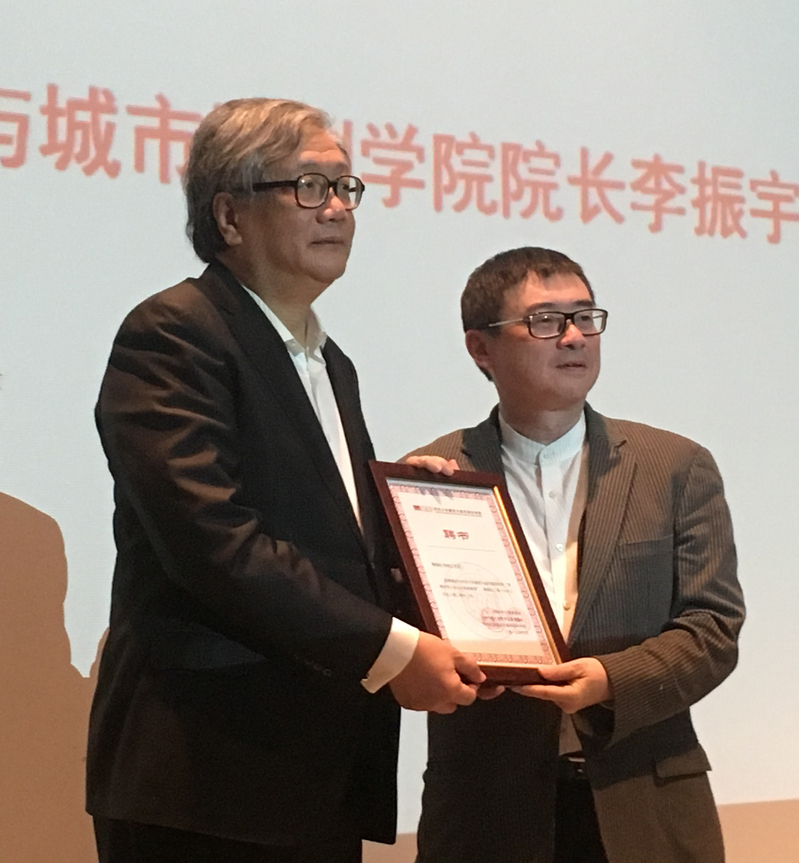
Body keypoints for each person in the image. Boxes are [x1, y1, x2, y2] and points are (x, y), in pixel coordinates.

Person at [87, 97, 484, 863]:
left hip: (314, 772)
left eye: (345, 187)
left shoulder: (330, 363)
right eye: (309, 186)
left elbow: (312, 528)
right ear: (229, 215)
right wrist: (393, 650)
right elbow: (214, 543)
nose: (337, 209)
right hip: (208, 779)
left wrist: (400, 512)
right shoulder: (173, 333)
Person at [406, 246, 744, 863]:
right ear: (481, 348)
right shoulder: (433, 478)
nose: (573, 336)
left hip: (646, 801)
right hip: (486, 812)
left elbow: (713, 628)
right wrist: (408, 524)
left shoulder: (674, 466)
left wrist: (611, 679)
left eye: (585, 317)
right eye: (545, 321)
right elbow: (397, 637)